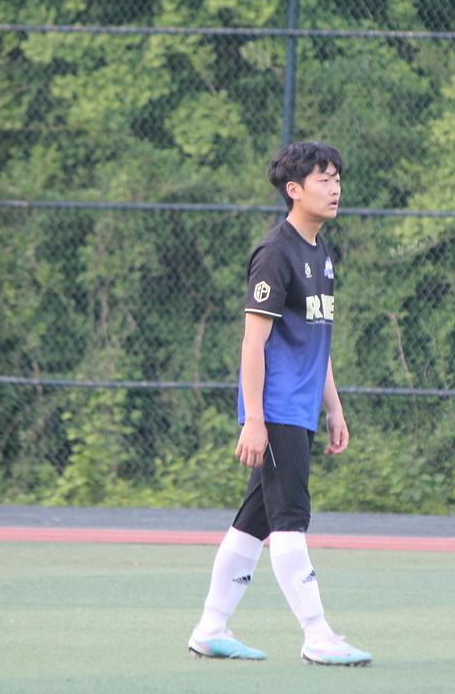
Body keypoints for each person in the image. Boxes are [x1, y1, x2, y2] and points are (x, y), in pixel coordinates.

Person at [186, 141, 372, 667]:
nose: (334, 188)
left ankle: (210, 629)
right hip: (276, 411)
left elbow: (317, 341)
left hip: (300, 410)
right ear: (294, 190)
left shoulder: (322, 253)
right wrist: (254, 420)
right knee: (291, 519)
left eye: (337, 179)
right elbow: (253, 344)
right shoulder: (275, 253)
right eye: (323, 180)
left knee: (254, 523)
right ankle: (317, 636)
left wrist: (333, 408)